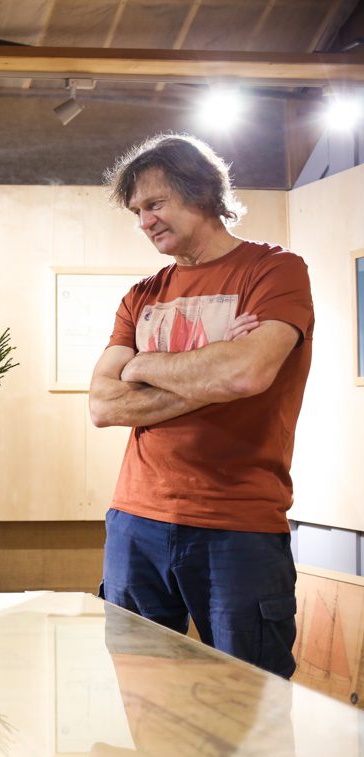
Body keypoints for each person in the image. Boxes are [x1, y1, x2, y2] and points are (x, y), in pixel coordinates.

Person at [89, 134, 315, 678]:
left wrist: (144, 364)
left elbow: (246, 372)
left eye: (155, 204)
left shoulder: (274, 270)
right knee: (141, 694)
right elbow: (102, 404)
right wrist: (209, 369)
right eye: (137, 212)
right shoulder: (142, 294)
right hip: (135, 520)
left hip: (237, 523)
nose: (145, 222)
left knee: (248, 700)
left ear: (201, 192)